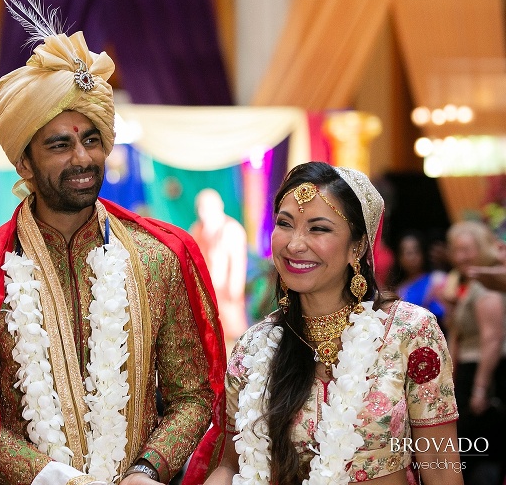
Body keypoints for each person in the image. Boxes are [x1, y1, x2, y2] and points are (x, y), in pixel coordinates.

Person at [0, 0, 225, 485]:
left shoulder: (156, 259)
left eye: (92, 139)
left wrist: (148, 469)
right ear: (25, 163)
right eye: (59, 144)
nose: (82, 158)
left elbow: (193, 396)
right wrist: (56, 478)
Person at [206, 162, 461, 485]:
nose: (295, 244)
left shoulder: (408, 333)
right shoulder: (255, 348)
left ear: (357, 246)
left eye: (318, 228)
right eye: (285, 224)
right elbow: (231, 465)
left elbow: (440, 467)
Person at [442, 220, 506, 485]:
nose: (460, 256)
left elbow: (492, 338)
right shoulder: (469, 283)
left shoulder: (487, 283)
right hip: (470, 371)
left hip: (485, 372)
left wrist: (480, 388)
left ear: (481, 248)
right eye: (456, 250)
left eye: (466, 249)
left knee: (482, 452)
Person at [190, 189, 248, 351]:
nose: (204, 212)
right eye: (201, 208)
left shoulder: (231, 229)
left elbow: (238, 265)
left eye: (208, 207)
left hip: (226, 297)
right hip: (204, 295)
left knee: (229, 341)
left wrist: (234, 293)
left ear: (219, 206)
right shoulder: (197, 229)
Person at [387, 231, 447, 324]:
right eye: (407, 252)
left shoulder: (437, 280)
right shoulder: (399, 289)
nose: (411, 257)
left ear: (423, 253)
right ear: (399, 257)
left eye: (415, 251)